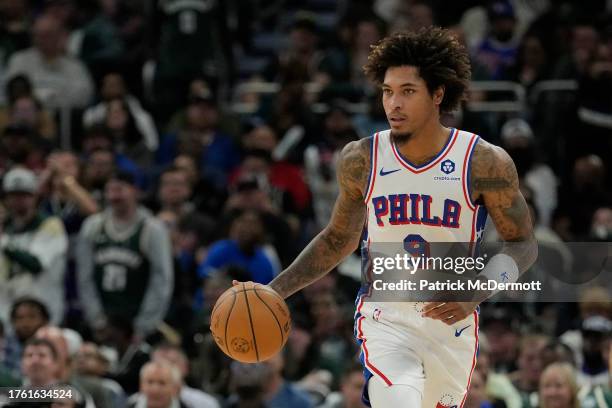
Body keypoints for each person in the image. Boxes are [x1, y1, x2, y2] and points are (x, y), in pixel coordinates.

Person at [236, 27, 537, 408]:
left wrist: (477, 291)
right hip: (385, 317)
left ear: (437, 94)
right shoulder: (361, 158)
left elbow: (523, 243)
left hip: (451, 324)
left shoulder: (482, 160)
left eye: (407, 91)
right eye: (387, 91)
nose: (393, 103)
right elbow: (337, 239)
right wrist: (273, 291)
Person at [76, 171, 173, 338]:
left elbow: (162, 280)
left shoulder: (152, 229)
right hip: (102, 319)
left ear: (134, 190)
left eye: (119, 190)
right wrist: (96, 318)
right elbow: (84, 276)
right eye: (110, 191)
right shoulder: (93, 226)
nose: (114, 196)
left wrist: (144, 325)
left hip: (137, 321)